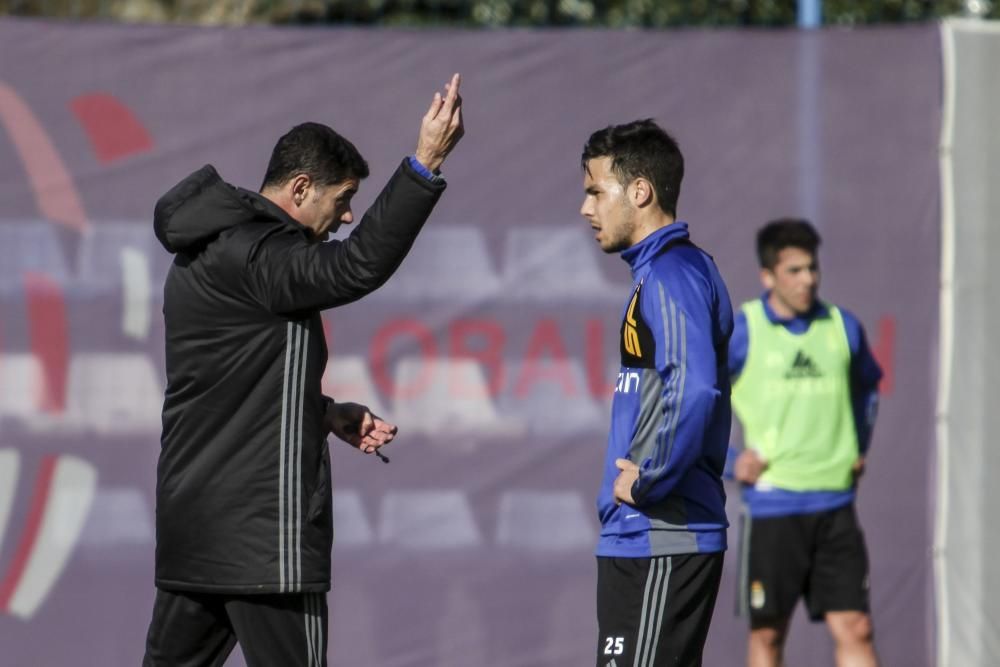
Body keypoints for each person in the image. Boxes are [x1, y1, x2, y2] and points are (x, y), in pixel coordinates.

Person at [142, 74, 464, 667]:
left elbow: (225, 388)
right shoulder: (261, 253)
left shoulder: (210, 252)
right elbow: (357, 267)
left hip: (197, 531)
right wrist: (424, 165)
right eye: (341, 200)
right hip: (264, 541)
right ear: (300, 187)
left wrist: (319, 414)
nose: (345, 218)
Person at [581, 119, 734, 667]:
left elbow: (693, 390)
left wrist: (649, 480)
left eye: (596, 190)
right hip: (644, 537)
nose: (586, 208)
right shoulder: (657, 273)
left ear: (639, 191)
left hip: (662, 532)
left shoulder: (672, 273)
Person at [729, 219, 882, 667]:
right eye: (794, 270)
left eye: (812, 268)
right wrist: (729, 460)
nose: (808, 280)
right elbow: (699, 398)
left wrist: (860, 445)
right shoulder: (746, 329)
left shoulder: (840, 325)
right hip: (775, 506)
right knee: (769, 637)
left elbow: (868, 388)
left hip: (834, 505)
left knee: (857, 628)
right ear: (768, 276)